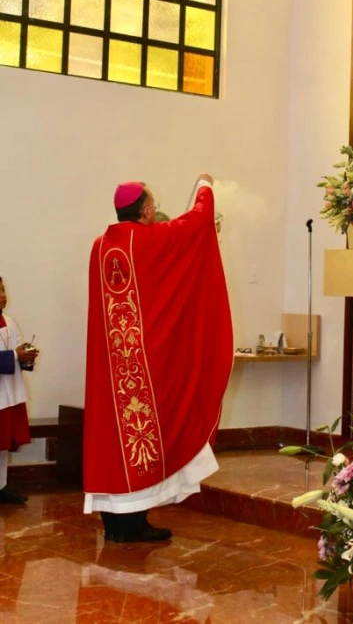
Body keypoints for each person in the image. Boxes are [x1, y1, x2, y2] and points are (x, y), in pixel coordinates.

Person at [84, 176, 233, 543]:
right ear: (147, 210)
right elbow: (196, 222)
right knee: (147, 436)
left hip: (110, 367)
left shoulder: (100, 246)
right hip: (144, 367)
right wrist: (204, 185)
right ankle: (133, 524)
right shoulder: (151, 240)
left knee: (112, 442)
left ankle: (115, 524)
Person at [0, 277, 39, 505]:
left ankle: (1, 486)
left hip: (9, 394)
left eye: (3, 290)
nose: (3, 296)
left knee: (3, 444)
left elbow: (17, 353)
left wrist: (27, 356)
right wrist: (16, 355)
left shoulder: (9, 322)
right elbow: (12, 354)